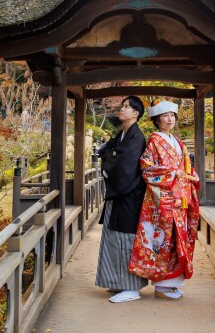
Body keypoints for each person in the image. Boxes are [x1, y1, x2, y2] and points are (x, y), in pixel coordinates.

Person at [128, 100, 200, 300]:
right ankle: (162, 286)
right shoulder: (154, 141)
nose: (170, 119)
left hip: (180, 197)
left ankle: (173, 283)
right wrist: (173, 173)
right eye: (165, 116)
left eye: (172, 116)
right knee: (164, 240)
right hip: (164, 198)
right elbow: (147, 167)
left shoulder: (177, 141)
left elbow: (185, 167)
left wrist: (191, 175)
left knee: (178, 239)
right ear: (157, 120)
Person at [95, 96, 148, 303]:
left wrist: (109, 162)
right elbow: (107, 151)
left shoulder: (137, 138)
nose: (122, 109)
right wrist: (111, 157)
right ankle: (118, 281)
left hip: (129, 195)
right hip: (119, 194)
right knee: (113, 238)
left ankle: (132, 288)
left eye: (127, 107)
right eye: (123, 105)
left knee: (126, 239)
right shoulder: (123, 134)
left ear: (136, 113)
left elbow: (124, 167)